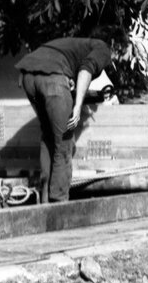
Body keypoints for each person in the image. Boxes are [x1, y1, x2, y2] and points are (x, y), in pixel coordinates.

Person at [16, 24, 114, 203]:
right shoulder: (102, 47)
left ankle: (44, 199)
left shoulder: (73, 44)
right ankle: (59, 204)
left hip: (27, 77)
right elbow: (86, 69)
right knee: (64, 145)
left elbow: (66, 68)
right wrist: (77, 106)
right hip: (52, 78)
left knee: (48, 136)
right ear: (114, 43)